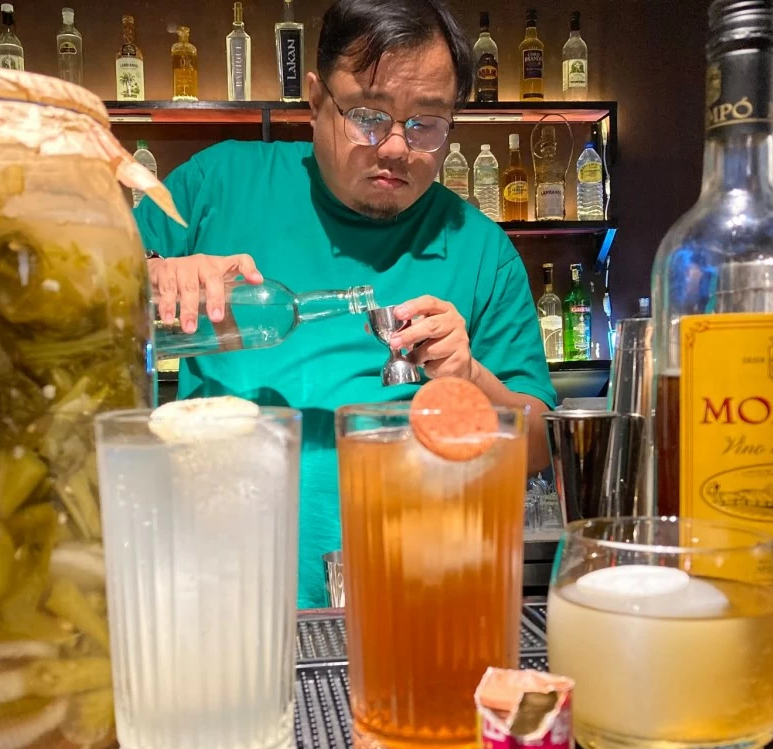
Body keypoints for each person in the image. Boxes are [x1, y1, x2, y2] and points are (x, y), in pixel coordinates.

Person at [134, 0, 555, 607]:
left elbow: (538, 445)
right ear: (314, 99)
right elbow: (70, 304)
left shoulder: (481, 248)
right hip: (218, 591)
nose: (394, 148)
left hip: (410, 600)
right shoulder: (218, 185)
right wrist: (155, 277)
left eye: (426, 124)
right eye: (368, 115)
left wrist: (470, 380)